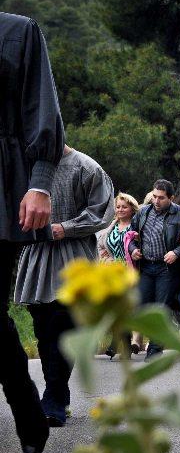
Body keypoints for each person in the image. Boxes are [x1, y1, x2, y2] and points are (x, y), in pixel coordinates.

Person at [1, 12, 64, 453]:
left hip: (3, 189)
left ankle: (23, 400)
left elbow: (43, 112)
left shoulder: (19, 32)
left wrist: (39, 183)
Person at [15, 144, 114, 426]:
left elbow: (102, 211)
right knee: (43, 330)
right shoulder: (28, 167)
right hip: (36, 255)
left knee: (65, 326)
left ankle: (54, 398)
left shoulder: (86, 167)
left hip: (73, 256)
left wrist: (65, 227)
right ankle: (56, 392)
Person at [128, 179, 180, 359]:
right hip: (146, 266)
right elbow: (130, 236)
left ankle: (155, 349)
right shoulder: (143, 212)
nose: (156, 201)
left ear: (171, 198)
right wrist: (133, 249)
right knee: (141, 305)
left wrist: (177, 252)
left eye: (161, 198)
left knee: (161, 308)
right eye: (155, 196)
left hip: (167, 268)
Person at [97, 191, 145, 355]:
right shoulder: (111, 227)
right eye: (118, 207)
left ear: (132, 209)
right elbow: (101, 245)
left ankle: (118, 343)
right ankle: (121, 342)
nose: (120, 210)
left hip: (132, 272)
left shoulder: (137, 226)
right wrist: (106, 258)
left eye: (124, 207)